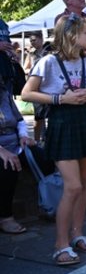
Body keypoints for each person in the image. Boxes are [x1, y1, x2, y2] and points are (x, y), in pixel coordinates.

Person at [22, 15, 86, 264]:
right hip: (62, 124)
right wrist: (61, 99)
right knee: (73, 186)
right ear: (71, 36)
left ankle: (78, 235)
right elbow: (27, 92)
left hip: (85, 122)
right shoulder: (48, 62)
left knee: (83, 184)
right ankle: (60, 244)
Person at [0, 61, 34, 236]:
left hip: (14, 143)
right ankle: (5, 216)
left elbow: (20, 120)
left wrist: (24, 137)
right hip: (1, 149)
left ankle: (51, 203)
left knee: (43, 157)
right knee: (8, 167)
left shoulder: (4, 94)